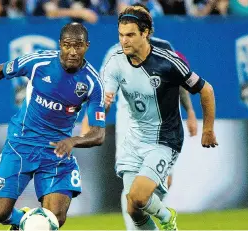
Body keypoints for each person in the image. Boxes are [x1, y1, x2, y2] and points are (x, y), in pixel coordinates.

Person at [0, 22, 106, 230]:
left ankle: (34, 224)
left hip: (56, 152)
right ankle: (23, 221)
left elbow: (98, 134)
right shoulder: (39, 62)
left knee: (54, 219)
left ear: (87, 46)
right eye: (67, 45)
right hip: (21, 144)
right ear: (60, 45)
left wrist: (74, 140)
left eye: (78, 46)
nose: (73, 51)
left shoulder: (93, 83)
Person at [80, 3, 198, 230]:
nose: (126, 37)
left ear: (145, 28)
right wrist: (91, 121)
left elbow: (181, 84)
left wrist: (190, 112)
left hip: (163, 128)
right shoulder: (115, 54)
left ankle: (159, 219)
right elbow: (102, 94)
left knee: (160, 184)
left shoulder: (165, 50)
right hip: (130, 128)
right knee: (130, 190)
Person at [103, 6, 217, 230]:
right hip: (133, 138)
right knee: (133, 208)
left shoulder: (167, 59)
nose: (124, 41)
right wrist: (101, 108)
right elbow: (103, 101)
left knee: (138, 196)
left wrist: (207, 129)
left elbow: (206, 90)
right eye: (121, 35)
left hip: (164, 138)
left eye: (130, 35)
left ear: (145, 33)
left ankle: (166, 218)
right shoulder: (115, 61)